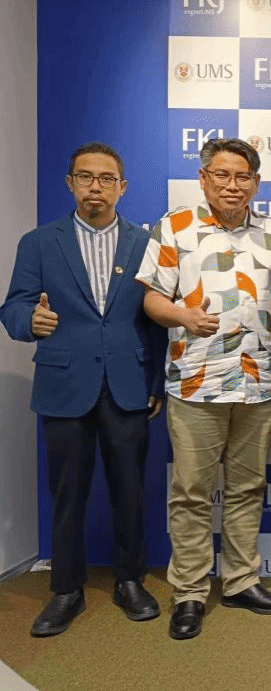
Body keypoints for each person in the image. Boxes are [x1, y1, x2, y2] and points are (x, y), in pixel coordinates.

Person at [135, 137, 271, 640]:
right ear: (204, 179)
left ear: (256, 183)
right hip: (196, 382)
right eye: (222, 175)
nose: (233, 185)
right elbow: (151, 300)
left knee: (248, 488)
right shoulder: (174, 227)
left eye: (242, 176)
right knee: (191, 493)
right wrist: (182, 315)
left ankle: (240, 581)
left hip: (259, 382)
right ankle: (189, 592)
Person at [0, 142, 166, 637]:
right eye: (86, 177)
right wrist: (28, 320)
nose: (97, 186)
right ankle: (66, 590)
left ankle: (130, 581)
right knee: (67, 493)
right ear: (70, 183)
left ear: (122, 187)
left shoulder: (146, 243)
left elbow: (156, 319)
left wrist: (156, 380)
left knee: (130, 490)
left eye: (107, 178)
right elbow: (13, 307)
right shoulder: (38, 242)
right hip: (64, 384)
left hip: (128, 384)